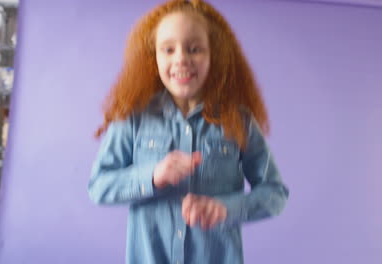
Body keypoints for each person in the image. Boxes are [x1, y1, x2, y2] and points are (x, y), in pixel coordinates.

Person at [88, 0, 289, 263]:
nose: (181, 58)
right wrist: (153, 176)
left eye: (194, 49)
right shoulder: (133, 118)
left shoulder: (240, 121)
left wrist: (226, 208)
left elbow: (275, 193)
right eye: (168, 49)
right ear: (153, 57)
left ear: (214, 56)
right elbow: (98, 186)